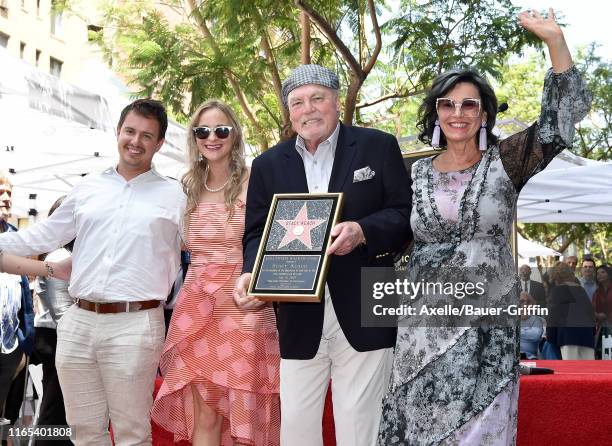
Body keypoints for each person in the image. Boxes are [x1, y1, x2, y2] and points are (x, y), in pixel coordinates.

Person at [378, 9, 591, 445]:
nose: (458, 113)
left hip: (487, 320)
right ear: (435, 112)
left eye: (469, 104)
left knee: (483, 420)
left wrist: (554, 40)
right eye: (447, 104)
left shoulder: (507, 161)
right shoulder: (410, 173)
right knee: (422, 420)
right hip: (424, 325)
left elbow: (562, 121)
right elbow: (385, 231)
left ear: (484, 114)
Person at [234, 64, 412, 446]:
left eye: (318, 98)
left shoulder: (377, 146)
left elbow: (403, 215)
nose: (308, 109)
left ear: (337, 101)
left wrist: (363, 231)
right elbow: (255, 233)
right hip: (297, 310)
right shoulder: (266, 165)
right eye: (297, 102)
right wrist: (251, 273)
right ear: (288, 111)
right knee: (296, 427)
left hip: (366, 301)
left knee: (359, 424)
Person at [0, 99, 186, 446]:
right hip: (78, 321)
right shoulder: (88, 188)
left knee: (132, 433)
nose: (136, 141)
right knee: (85, 433)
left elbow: (205, 246)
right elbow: (40, 236)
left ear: (159, 144)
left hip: (137, 323)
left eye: (147, 135)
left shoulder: (175, 195)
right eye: (130, 131)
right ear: (118, 132)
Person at [151, 100, 280, 446]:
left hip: (244, 304)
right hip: (196, 309)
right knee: (204, 413)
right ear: (194, 137)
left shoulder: (256, 180)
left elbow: (272, 240)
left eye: (221, 130)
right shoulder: (186, 186)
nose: (212, 138)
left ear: (234, 135)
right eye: (202, 131)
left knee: (244, 414)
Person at [31, 196, 74, 446]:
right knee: (55, 410)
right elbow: (63, 312)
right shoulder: (58, 257)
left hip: (59, 337)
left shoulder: (66, 253)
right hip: (56, 338)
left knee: (61, 409)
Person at [0, 172, 34, 421]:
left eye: (10, 193)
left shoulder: (15, 237)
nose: (7, 198)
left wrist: (24, 344)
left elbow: (24, 295)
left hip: (10, 346)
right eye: (1, 192)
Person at [546, 261, 595, 360]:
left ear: (555, 276)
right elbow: (590, 312)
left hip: (568, 335)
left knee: (572, 369)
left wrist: (550, 336)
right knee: (589, 369)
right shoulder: (581, 289)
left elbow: (553, 316)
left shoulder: (557, 290)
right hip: (587, 334)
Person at [593, 265, 612, 358]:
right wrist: (597, 315)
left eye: (602, 272)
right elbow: (592, 309)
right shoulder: (597, 292)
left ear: (609, 274)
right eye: (597, 273)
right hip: (601, 327)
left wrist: (607, 316)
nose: (599, 275)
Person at [519, 292, 545, 359]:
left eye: (528, 302)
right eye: (522, 301)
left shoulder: (538, 320)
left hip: (529, 357)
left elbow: (535, 335)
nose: (525, 304)